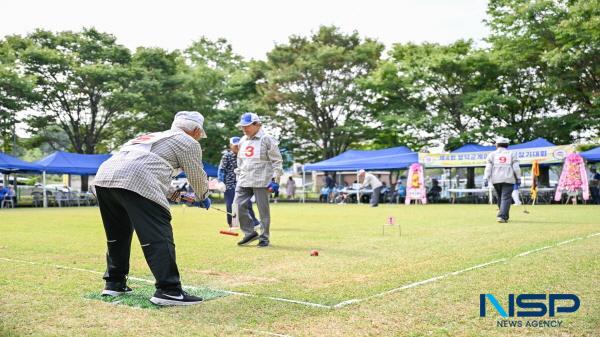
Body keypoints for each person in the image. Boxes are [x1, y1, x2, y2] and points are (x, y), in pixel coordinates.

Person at [92, 111, 212, 306]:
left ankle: (114, 283)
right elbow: (197, 175)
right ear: (196, 130)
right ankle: (169, 290)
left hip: (104, 178)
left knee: (118, 234)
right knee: (158, 232)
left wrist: (180, 196)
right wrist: (203, 196)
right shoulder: (188, 142)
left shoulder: (154, 137)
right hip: (136, 179)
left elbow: (150, 172)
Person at [234, 112, 283, 248]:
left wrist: (275, 180)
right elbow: (240, 161)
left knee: (263, 211)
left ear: (257, 125)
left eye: (247, 126)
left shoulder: (267, 139)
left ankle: (264, 237)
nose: (244, 129)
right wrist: (238, 175)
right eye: (242, 127)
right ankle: (249, 233)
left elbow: (277, 161)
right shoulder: (243, 140)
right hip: (244, 179)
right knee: (236, 206)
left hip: (262, 180)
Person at [218, 136, 260, 228]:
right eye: (235, 145)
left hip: (243, 183)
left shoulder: (245, 155)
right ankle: (233, 224)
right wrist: (221, 181)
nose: (237, 147)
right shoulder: (227, 156)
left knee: (247, 204)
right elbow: (221, 169)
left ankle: (254, 222)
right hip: (229, 185)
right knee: (231, 205)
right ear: (231, 146)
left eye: (239, 145)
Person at [483, 136, 521, 223]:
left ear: (497, 145)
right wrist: (518, 178)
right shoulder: (512, 154)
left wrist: (485, 178)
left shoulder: (492, 154)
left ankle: (503, 215)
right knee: (506, 198)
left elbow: (488, 168)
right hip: (509, 179)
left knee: (500, 197)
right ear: (507, 145)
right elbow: (516, 168)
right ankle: (502, 216)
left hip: (496, 179)